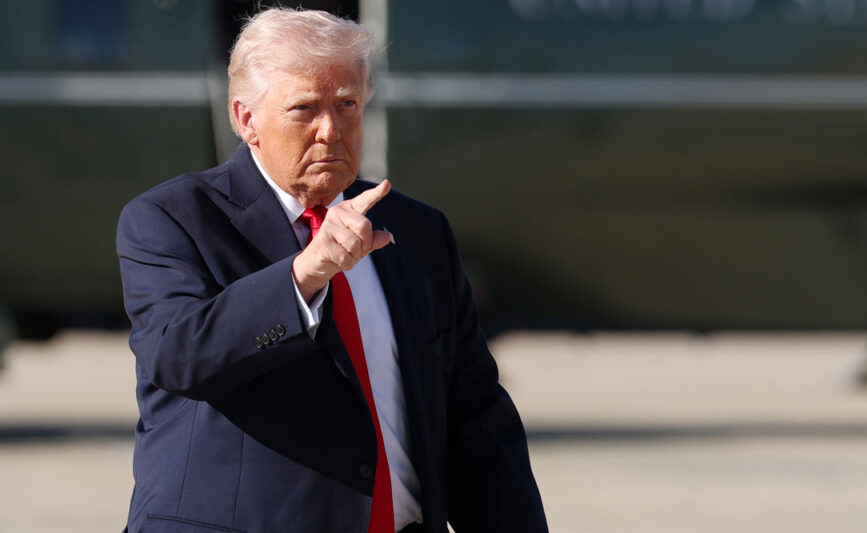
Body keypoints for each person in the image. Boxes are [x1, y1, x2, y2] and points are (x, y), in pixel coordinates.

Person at [116, 7, 547, 533]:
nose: (330, 130)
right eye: (304, 109)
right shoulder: (172, 219)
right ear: (246, 119)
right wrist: (302, 278)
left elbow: (476, 418)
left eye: (347, 104)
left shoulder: (417, 230)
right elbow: (178, 356)